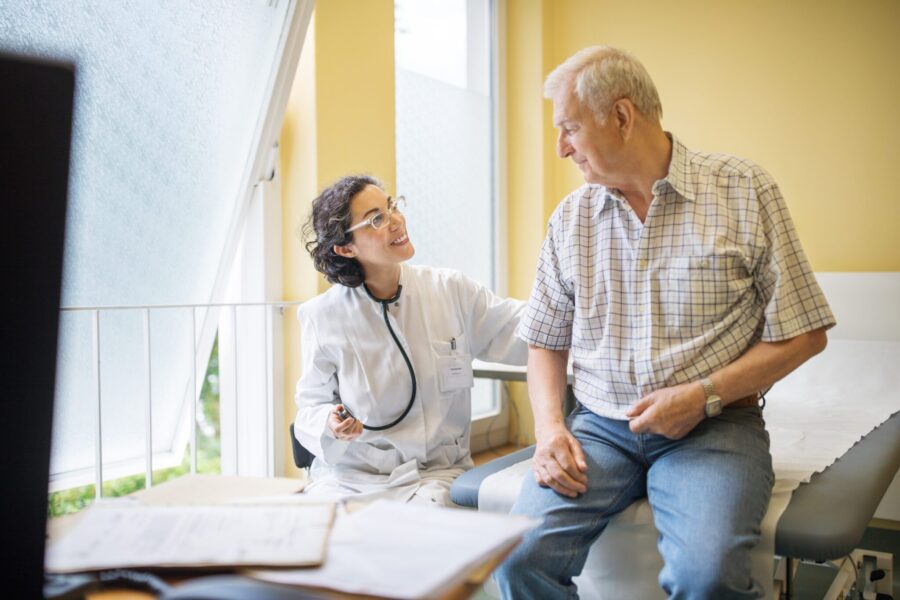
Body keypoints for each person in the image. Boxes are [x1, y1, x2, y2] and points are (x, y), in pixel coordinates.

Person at [495, 46, 836, 599]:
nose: (561, 148)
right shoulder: (571, 219)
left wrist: (703, 395)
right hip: (600, 428)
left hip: (715, 428)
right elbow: (545, 342)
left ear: (622, 117)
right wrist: (551, 428)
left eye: (569, 129)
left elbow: (805, 333)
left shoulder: (744, 192)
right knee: (516, 559)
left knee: (706, 578)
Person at [293, 174, 526, 506]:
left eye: (390, 206)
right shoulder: (323, 316)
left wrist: (580, 310)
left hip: (435, 477)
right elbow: (310, 406)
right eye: (376, 219)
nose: (396, 221)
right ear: (345, 247)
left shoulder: (450, 290)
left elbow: (520, 327)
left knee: (422, 534)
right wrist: (329, 424)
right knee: (324, 538)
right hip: (352, 480)